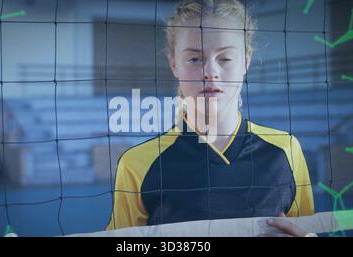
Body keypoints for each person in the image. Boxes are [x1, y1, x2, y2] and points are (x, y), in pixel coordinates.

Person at [106, 0, 315, 237]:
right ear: (174, 64)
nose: (210, 71)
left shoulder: (285, 149)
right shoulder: (137, 164)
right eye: (194, 59)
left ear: (246, 61)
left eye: (225, 58)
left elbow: (303, 230)